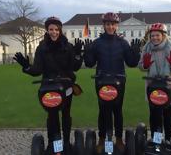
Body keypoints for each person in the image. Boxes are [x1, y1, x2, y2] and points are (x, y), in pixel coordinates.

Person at [13, 16, 83, 154]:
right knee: (52, 118)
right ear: (47, 30)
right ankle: (55, 145)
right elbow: (37, 70)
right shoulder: (42, 48)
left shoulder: (68, 47)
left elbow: (75, 68)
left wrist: (78, 55)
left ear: (60, 30)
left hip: (66, 86)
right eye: (51, 29)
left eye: (57, 29)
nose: (54, 32)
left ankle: (67, 143)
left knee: (66, 115)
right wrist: (27, 67)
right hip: (49, 88)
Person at [84, 12, 141, 154]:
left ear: (116, 26)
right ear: (104, 25)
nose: (110, 27)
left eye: (113, 24)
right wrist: (87, 52)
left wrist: (136, 52)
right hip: (101, 81)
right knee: (103, 111)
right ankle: (102, 139)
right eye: (108, 24)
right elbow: (90, 64)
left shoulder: (122, 43)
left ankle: (119, 139)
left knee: (117, 110)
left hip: (118, 81)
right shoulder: (97, 43)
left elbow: (132, 63)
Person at [138, 23, 171, 147]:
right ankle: (157, 140)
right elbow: (140, 66)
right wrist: (145, 65)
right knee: (155, 115)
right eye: (152, 36)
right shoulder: (146, 49)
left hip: (169, 85)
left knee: (168, 114)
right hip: (153, 85)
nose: (154, 38)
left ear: (163, 36)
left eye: (157, 35)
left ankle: (167, 139)